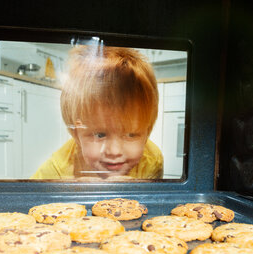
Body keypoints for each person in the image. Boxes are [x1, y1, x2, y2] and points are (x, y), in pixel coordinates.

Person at [31, 45, 163, 180]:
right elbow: (29, 198)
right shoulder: (56, 170)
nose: (114, 151)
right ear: (76, 134)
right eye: (100, 134)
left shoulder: (152, 161)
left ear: (147, 132)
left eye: (131, 134)